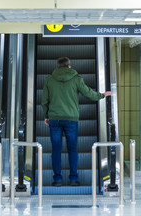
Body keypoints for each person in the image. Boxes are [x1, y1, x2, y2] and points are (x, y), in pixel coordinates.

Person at [41, 57, 112, 187]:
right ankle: (73, 179)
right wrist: (102, 95)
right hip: (71, 119)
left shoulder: (49, 80)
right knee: (72, 149)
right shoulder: (76, 78)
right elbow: (88, 93)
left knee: (56, 150)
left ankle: (57, 180)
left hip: (54, 119)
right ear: (69, 66)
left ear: (57, 66)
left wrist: (46, 116)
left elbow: (44, 101)